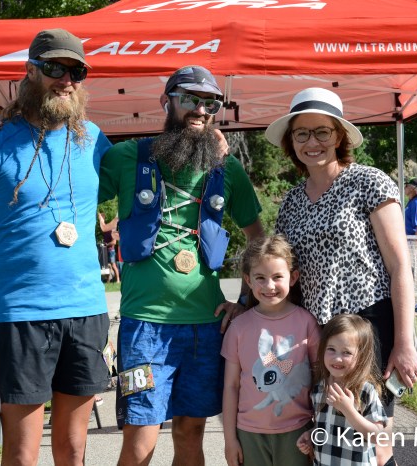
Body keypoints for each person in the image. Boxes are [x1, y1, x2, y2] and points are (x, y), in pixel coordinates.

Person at [0, 28, 112, 465]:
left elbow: (157, 167)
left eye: (76, 71)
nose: (66, 79)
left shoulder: (94, 140)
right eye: (55, 68)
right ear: (30, 71)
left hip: (85, 312)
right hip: (21, 315)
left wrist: (212, 140)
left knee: (73, 450)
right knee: (22, 455)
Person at [98, 65, 264, 466]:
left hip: (204, 331)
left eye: (210, 103)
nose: (200, 110)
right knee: (139, 438)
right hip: (142, 330)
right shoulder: (125, 157)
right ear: (166, 101)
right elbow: (75, 195)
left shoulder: (228, 169)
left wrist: (246, 300)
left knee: (191, 434)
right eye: (189, 99)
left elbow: (258, 240)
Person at [268, 87, 417, 466]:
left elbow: (399, 266)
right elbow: (284, 274)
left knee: (374, 437)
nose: (312, 142)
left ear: (339, 136)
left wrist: (405, 342)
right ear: (291, 142)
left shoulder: (369, 182)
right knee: (327, 433)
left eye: (322, 131)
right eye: (302, 133)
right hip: (318, 334)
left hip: (368, 328)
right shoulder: (290, 201)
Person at [221, 235, 320, 466]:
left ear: (293, 277)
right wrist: (230, 440)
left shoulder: (307, 323)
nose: (269, 286)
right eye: (260, 278)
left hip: (299, 432)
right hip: (249, 434)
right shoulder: (238, 327)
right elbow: (231, 386)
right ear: (248, 280)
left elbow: (320, 379)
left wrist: (317, 428)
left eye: (277, 277)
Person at [296, 314, 388, 466]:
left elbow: (377, 436)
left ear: (361, 356)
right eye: (331, 349)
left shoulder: (365, 391)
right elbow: (327, 427)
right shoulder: (319, 388)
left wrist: (348, 410)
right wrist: (311, 435)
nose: (337, 358)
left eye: (346, 352)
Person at [99, 211, 120, 283]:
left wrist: (107, 244)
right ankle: (108, 280)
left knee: (113, 265)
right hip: (106, 250)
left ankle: (118, 280)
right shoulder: (105, 232)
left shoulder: (111, 231)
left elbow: (114, 242)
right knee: (107, 265)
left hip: (111, 250)